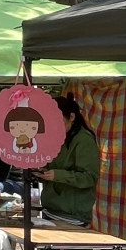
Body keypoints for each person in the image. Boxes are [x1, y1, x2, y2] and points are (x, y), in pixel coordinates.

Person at [38, 94, 101, 224]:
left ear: (71, 117)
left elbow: (89, 178)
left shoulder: (84, 140)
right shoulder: (57, 138)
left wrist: (57, 175)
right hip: (51, 209)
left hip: (73, 215)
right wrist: (41, 172)